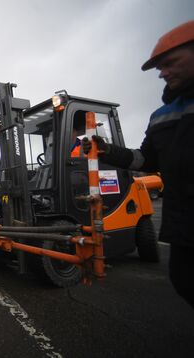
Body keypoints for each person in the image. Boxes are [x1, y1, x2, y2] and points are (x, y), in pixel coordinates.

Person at [83, 20, 194, 309]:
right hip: (184, 225)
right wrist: (103, 149)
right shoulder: (161, 116)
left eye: (171, 63)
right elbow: (143, 160)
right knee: (184, 280)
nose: (164, 73)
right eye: (160, 69)